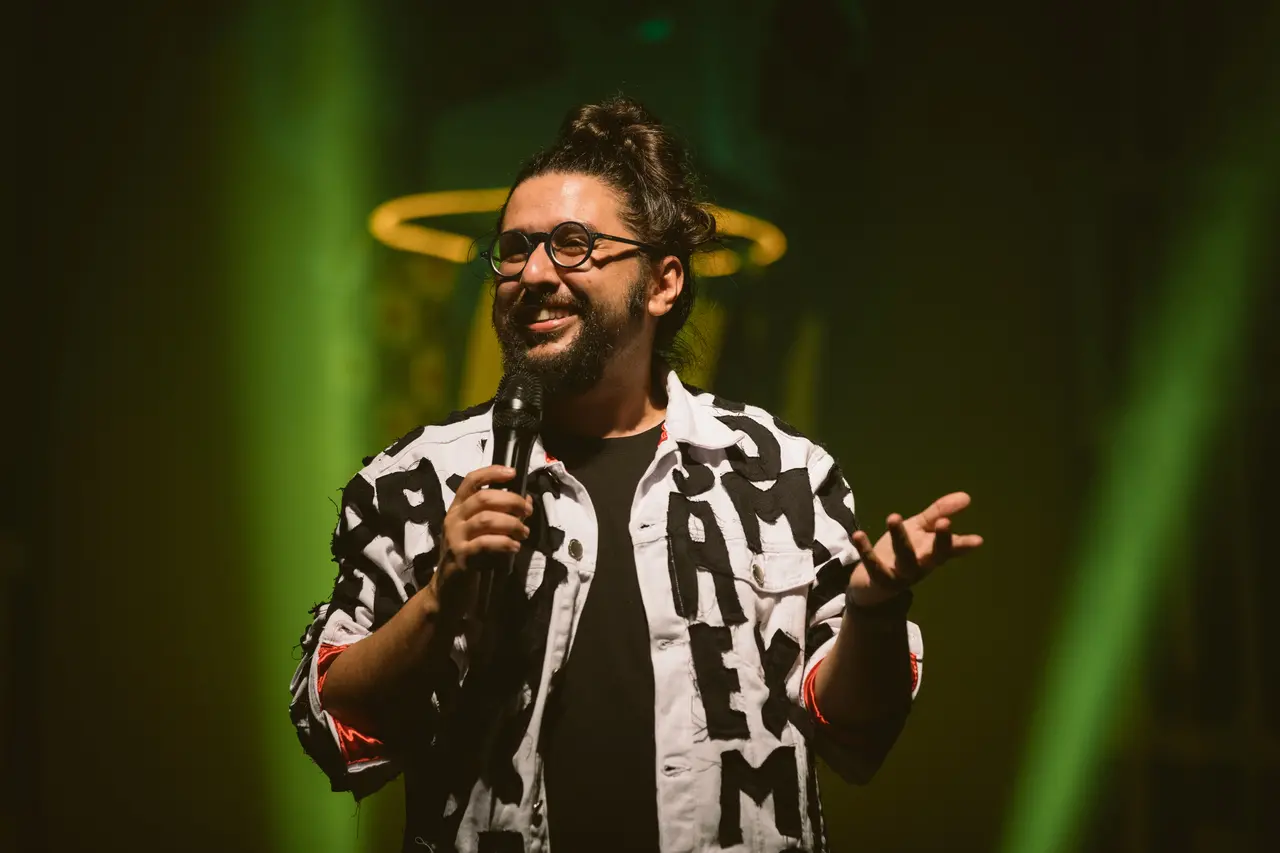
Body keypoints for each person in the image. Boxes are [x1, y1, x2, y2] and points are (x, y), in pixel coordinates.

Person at [290, 95, 983, 853]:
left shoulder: (778, 471)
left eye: (574, 245)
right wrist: (438, 599)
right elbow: (332, 722)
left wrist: (875, 609)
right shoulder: (417, 479)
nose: (533, 272)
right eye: (514, 249)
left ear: (662, 283)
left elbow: (851, 726)